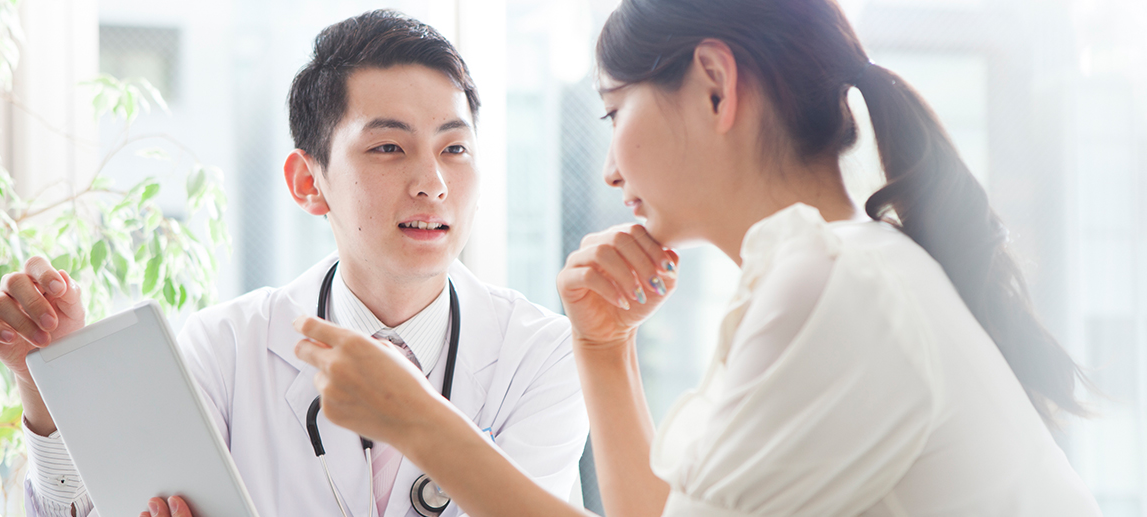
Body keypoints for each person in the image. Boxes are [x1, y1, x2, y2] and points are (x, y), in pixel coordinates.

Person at [291, 0, 1104, 515]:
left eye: (614, 112)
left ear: (714, 84)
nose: (608, 171)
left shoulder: (837, 287)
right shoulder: (832, 272)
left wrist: (416, 421)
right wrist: (604, 349)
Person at [0, 10, 589, 517]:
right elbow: (110, 508)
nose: (433, 182)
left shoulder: (542, 356)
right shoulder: (225, 349)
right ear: (307, 182)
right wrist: (48, 385)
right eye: (388, 147)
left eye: (455, 148)